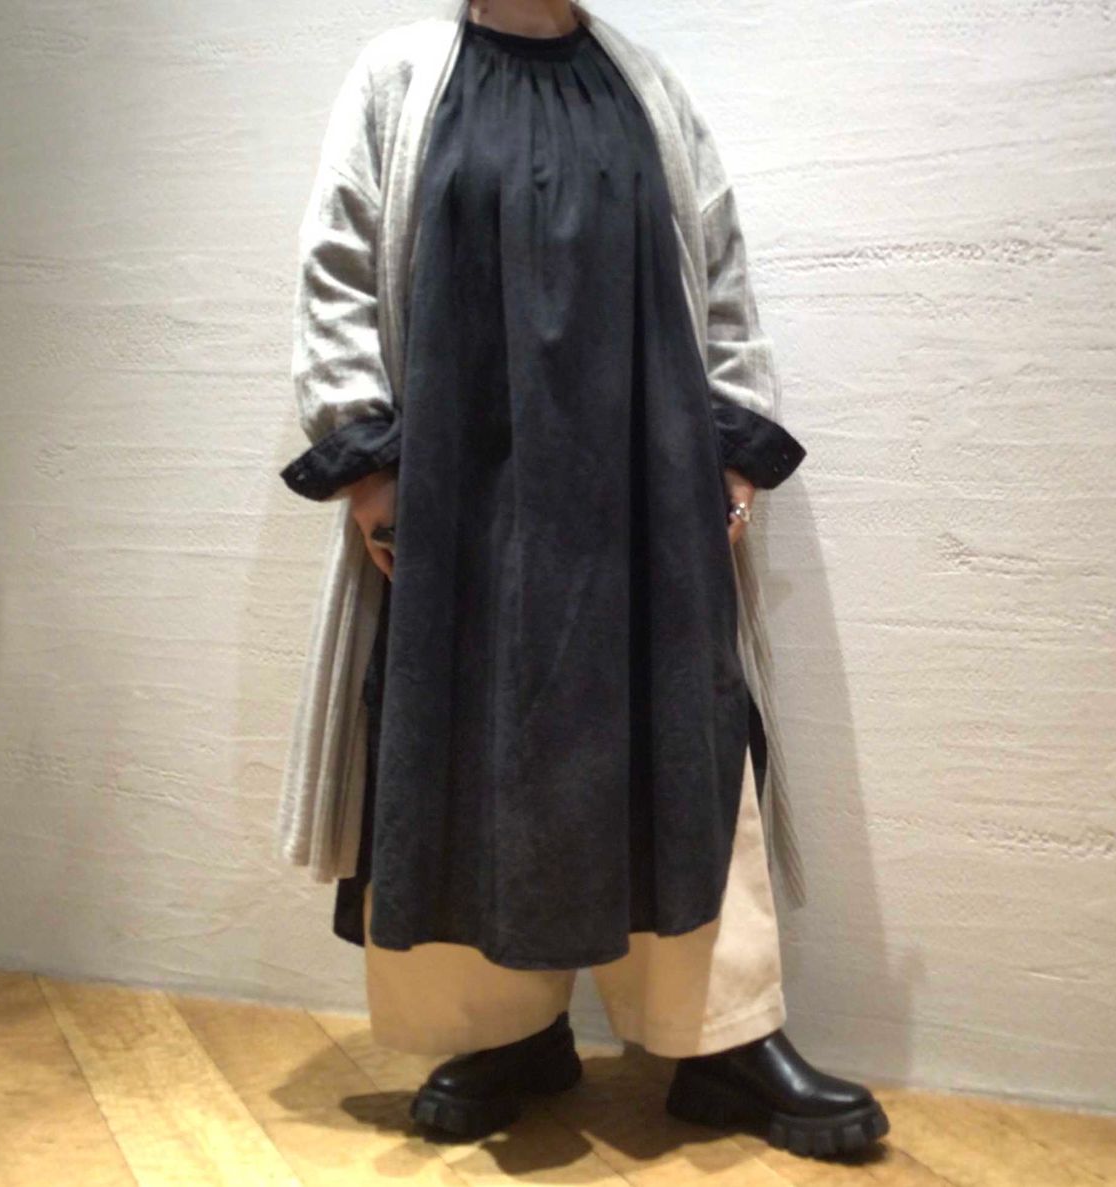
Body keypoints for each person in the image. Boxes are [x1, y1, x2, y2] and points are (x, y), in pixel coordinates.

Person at [276, 0, 889, 1158]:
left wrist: (730, 454)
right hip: (458, 491)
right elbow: (336, 268)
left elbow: (719, 272)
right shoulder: (397, 80)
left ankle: (720, 1039)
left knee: (682, 741)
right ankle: (503, 1033)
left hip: (644, 484)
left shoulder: (644, 86)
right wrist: (368, 465)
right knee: (465, 742)